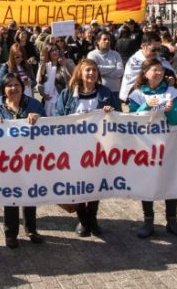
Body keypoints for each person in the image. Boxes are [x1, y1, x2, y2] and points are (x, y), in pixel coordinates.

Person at [128, 59, 177, 239]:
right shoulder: (137, 94)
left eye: (161, 71)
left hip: (169, 143)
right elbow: (133, 120)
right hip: (146, 144)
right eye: (154, 70)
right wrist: (146, 106)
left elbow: (176, 119)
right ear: (145, 73)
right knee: (147, 179)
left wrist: (170, 111)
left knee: (170, 179)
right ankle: (148, 220)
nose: (158, 73)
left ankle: (172, 221)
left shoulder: (172, 93)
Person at [55, 59, 120, 237]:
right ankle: (83, 220)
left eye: (94, 70)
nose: (91, 74)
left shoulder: (105, 93)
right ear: (80, 73)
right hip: (74, 148)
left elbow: (119, 115)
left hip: (98, 149)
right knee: (78, 185)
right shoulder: (68, 94)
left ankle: (92, 218)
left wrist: (111, 111)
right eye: (87, 70)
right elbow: (58, 117)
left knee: (95, 186)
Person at [0, 73, 46, 249]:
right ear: (4, 89)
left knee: (30, 195)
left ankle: (31, 230)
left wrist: (38, 118)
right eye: (9, 85)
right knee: (10, 196)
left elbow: (51, 124)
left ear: (22, 86)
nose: (13, 88)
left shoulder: (34, 104)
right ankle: (10, 234)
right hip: (6, 160)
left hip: (30, 157)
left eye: (16, 84)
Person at [119, 32, 175, 103]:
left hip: (154, 98)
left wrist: (171, 78)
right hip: (133, 98)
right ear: (144, 46)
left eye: (159, 49)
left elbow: (170, 71)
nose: (157, 53)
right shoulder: (135, 61)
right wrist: (164, 80)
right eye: (154, 50)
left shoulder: (156, 57)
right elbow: (144, 80)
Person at [36, 45, 74, 116]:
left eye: (56, 50)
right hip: (48, 101)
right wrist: (43, 94)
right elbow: (38, 82)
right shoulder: (45, 66)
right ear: (48, 53)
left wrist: (66, 65)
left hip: (61, 100)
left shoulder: (65, 63)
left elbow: (73, 77)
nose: (55, 52)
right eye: (52, 50)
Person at [86, 31, 124, 98]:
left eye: (109, 39)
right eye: (104, 39)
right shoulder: (92, 55)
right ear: (98, 41)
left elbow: (120, 72)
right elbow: (95, 70)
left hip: (115, 92)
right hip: (99, 92)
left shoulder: (116, 54)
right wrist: (113, 67)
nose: (107, 41)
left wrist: (102, 73)